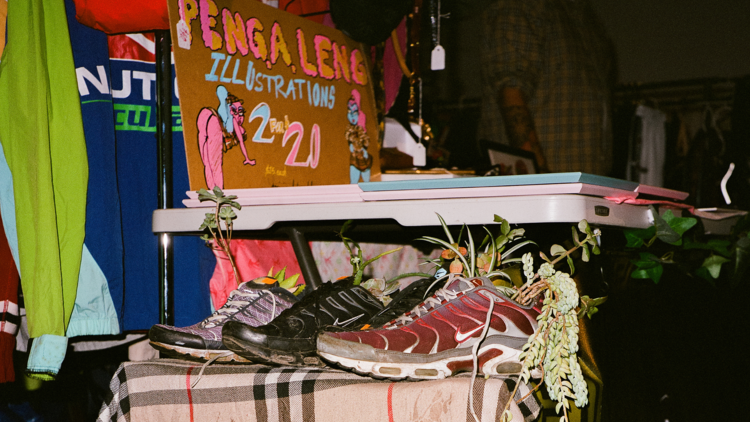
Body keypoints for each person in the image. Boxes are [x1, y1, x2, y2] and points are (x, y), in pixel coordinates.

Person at [478, 0, 616, 176]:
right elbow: (511, 92)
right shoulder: (522, 5)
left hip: (584, 186)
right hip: (541, 191)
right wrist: (538, 177)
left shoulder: (587, 18)